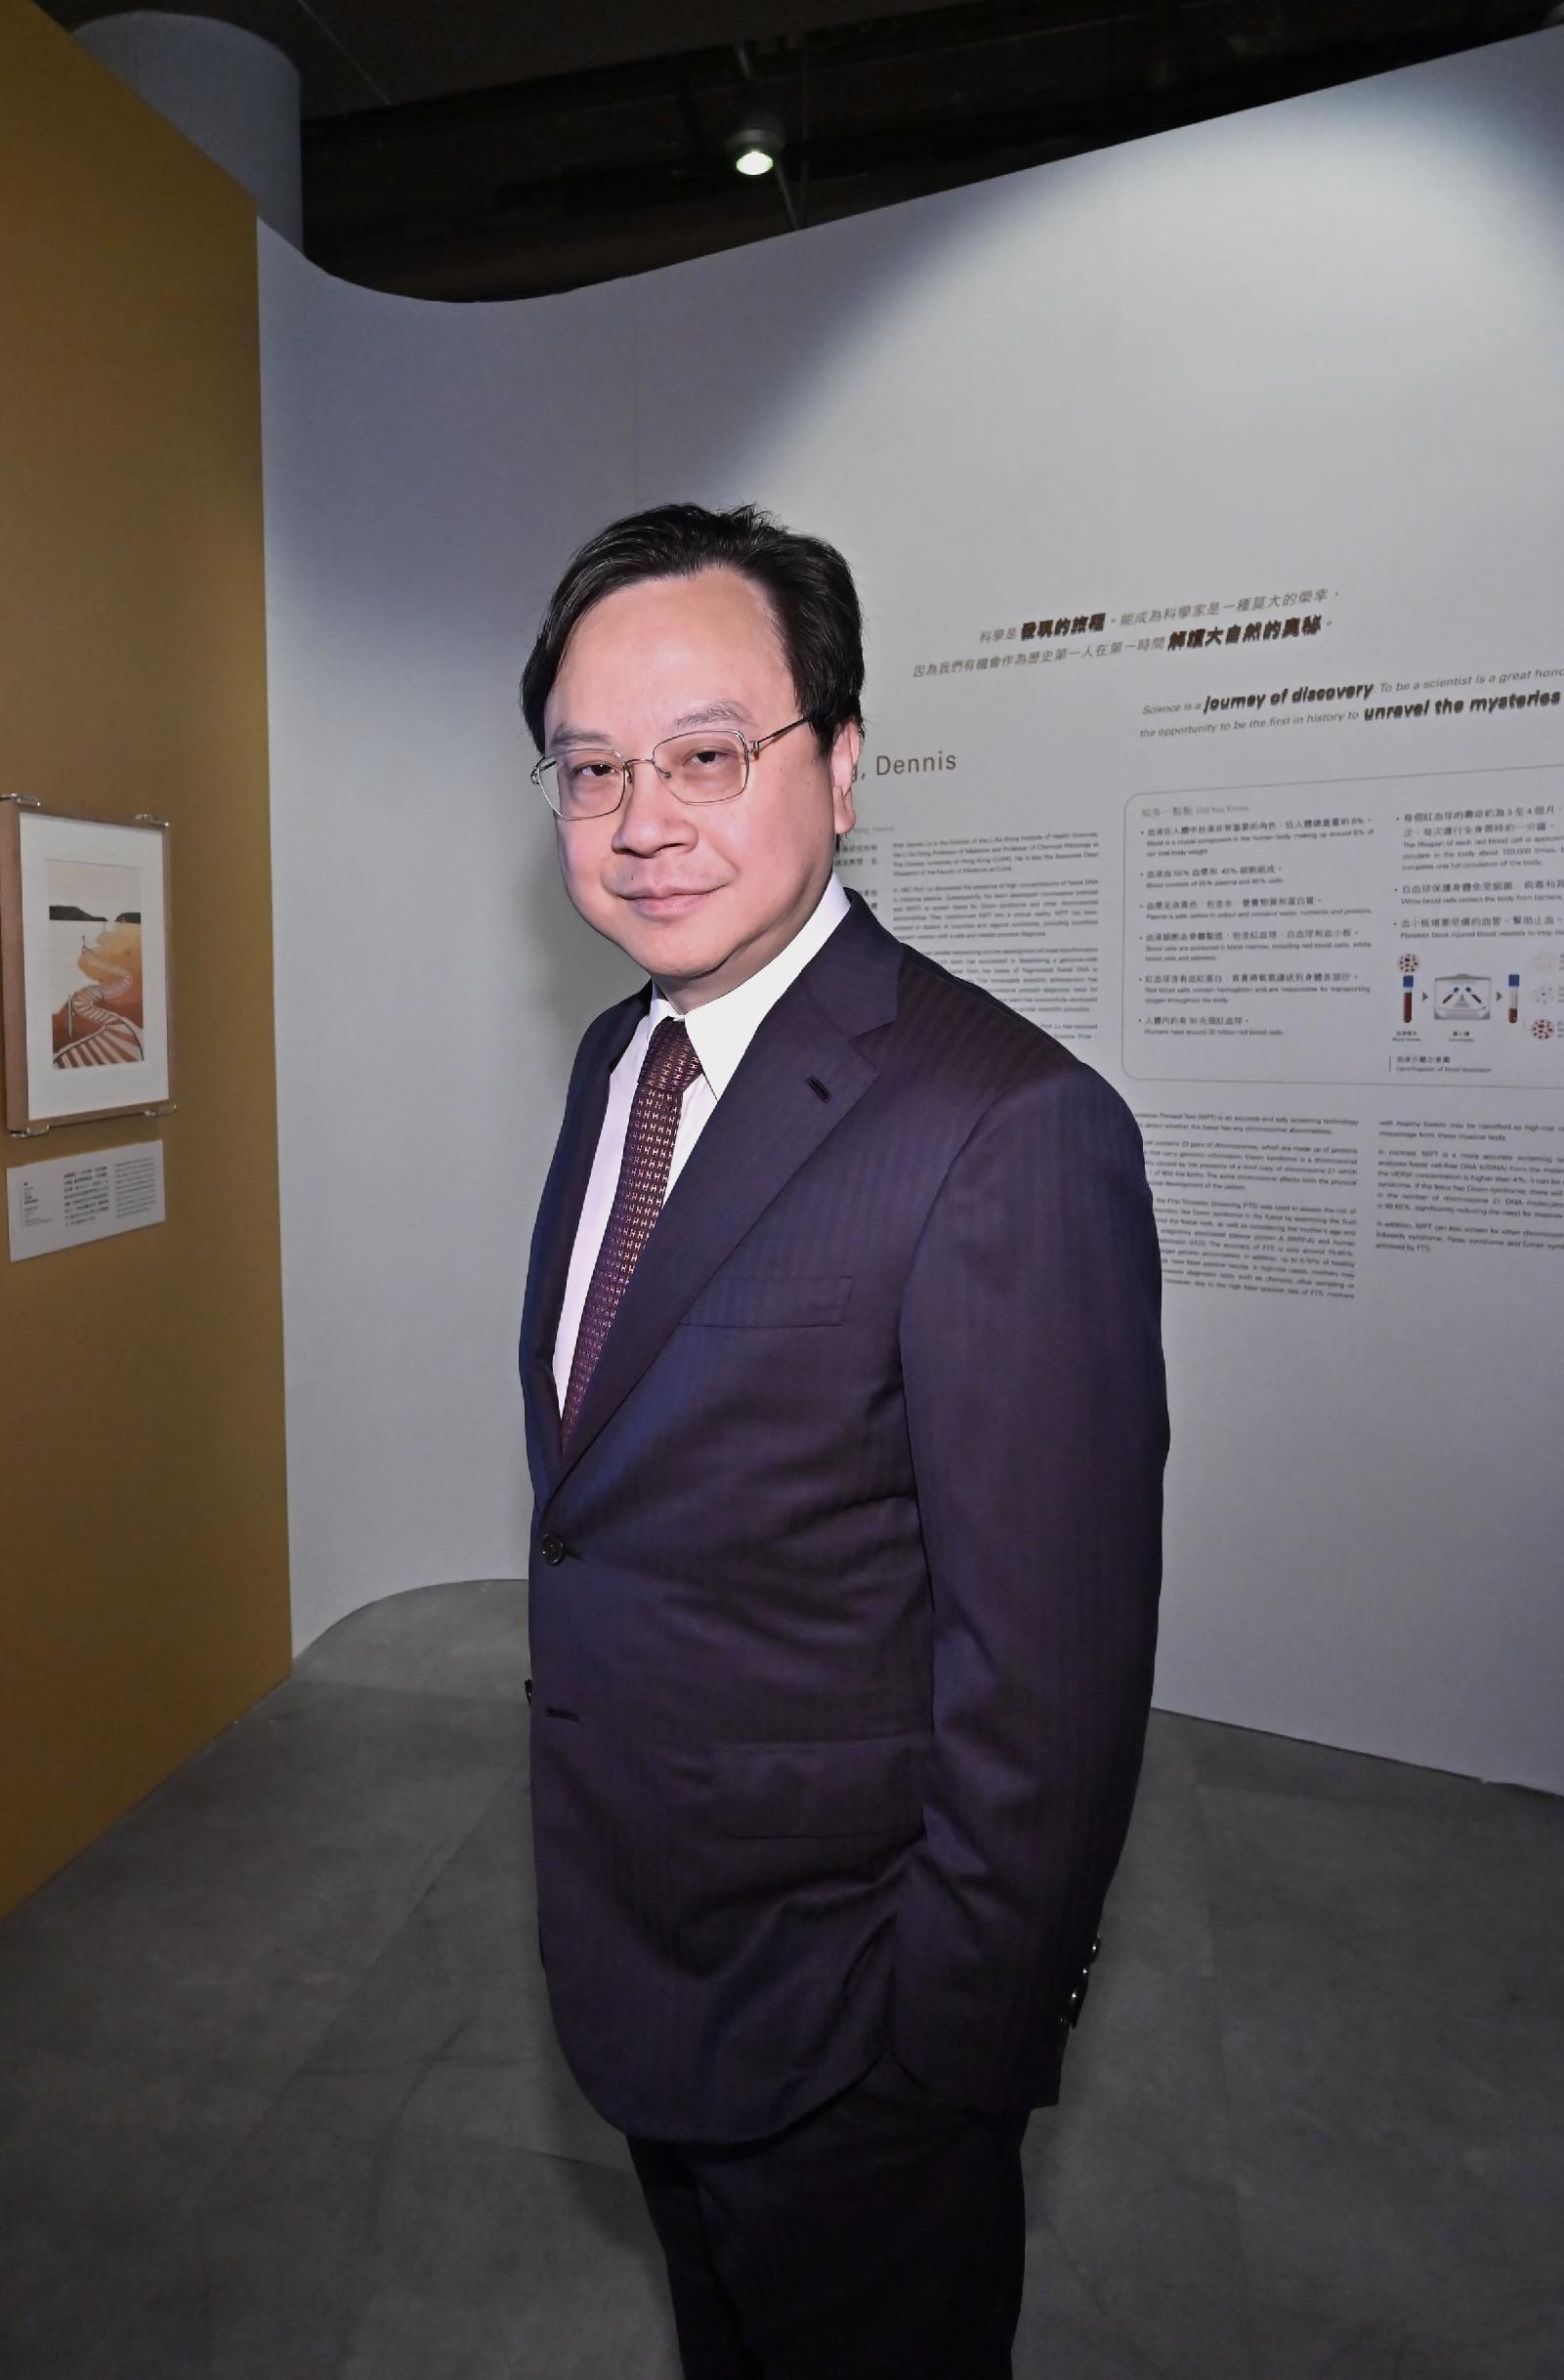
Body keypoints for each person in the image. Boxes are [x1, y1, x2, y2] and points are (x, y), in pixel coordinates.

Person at [511, 502, 1166, 2377]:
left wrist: (941, 2056)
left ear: (846, 765)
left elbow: (1048, 1684)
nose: (645, 820)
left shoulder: (1007, 1128)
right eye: (592, 769)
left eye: (710, 755)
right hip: (643, 1951)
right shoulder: (618, 1064)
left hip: (854, 2041)